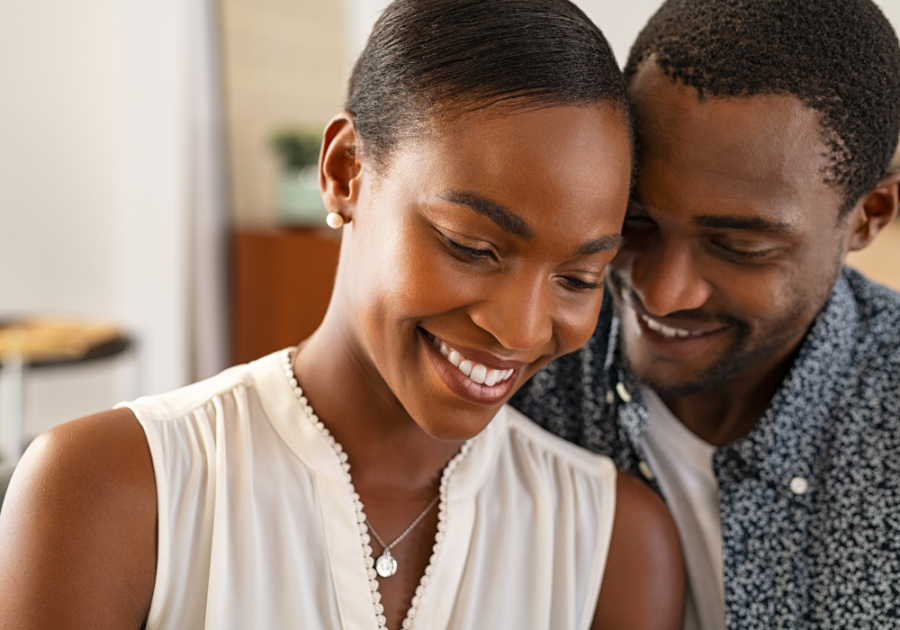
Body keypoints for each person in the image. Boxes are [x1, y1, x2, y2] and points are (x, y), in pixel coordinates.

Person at [0, 2, 684, 629]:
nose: (523, 330)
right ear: (345, 170)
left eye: (577, 277)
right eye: (471, 248)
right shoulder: (109, 493)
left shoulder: (613, 546)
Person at [512, 0, 900, 629]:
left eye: (740, 247)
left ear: (869, 215)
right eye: (634, 220)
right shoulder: (521, 365)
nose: (662, 294)